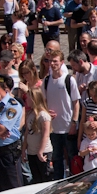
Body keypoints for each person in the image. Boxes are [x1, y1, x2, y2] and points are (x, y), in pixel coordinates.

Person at [42, 49, 80, 179]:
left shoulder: (69, 80)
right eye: (50, 61)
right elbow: (43, 102)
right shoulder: (46, 81)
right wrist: (46, 112)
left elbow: (76, 103)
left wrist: (74, 123)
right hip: (53, 128)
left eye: (55, 61)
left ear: (61, 62)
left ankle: (74, 181)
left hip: (68, 126)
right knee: (56, 158)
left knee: (72, 156)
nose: (52, 64)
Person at [23, 86, 53, 184]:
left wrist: (40, 152)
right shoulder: (30, 114)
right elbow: (27, 132)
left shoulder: (43, 115)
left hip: (43, 152)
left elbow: (45, 135)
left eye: (28, 98)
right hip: (31, 152)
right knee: (36, 179)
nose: (26, 100)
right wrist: (24, 150)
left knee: (44, 178)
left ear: (34, 99)